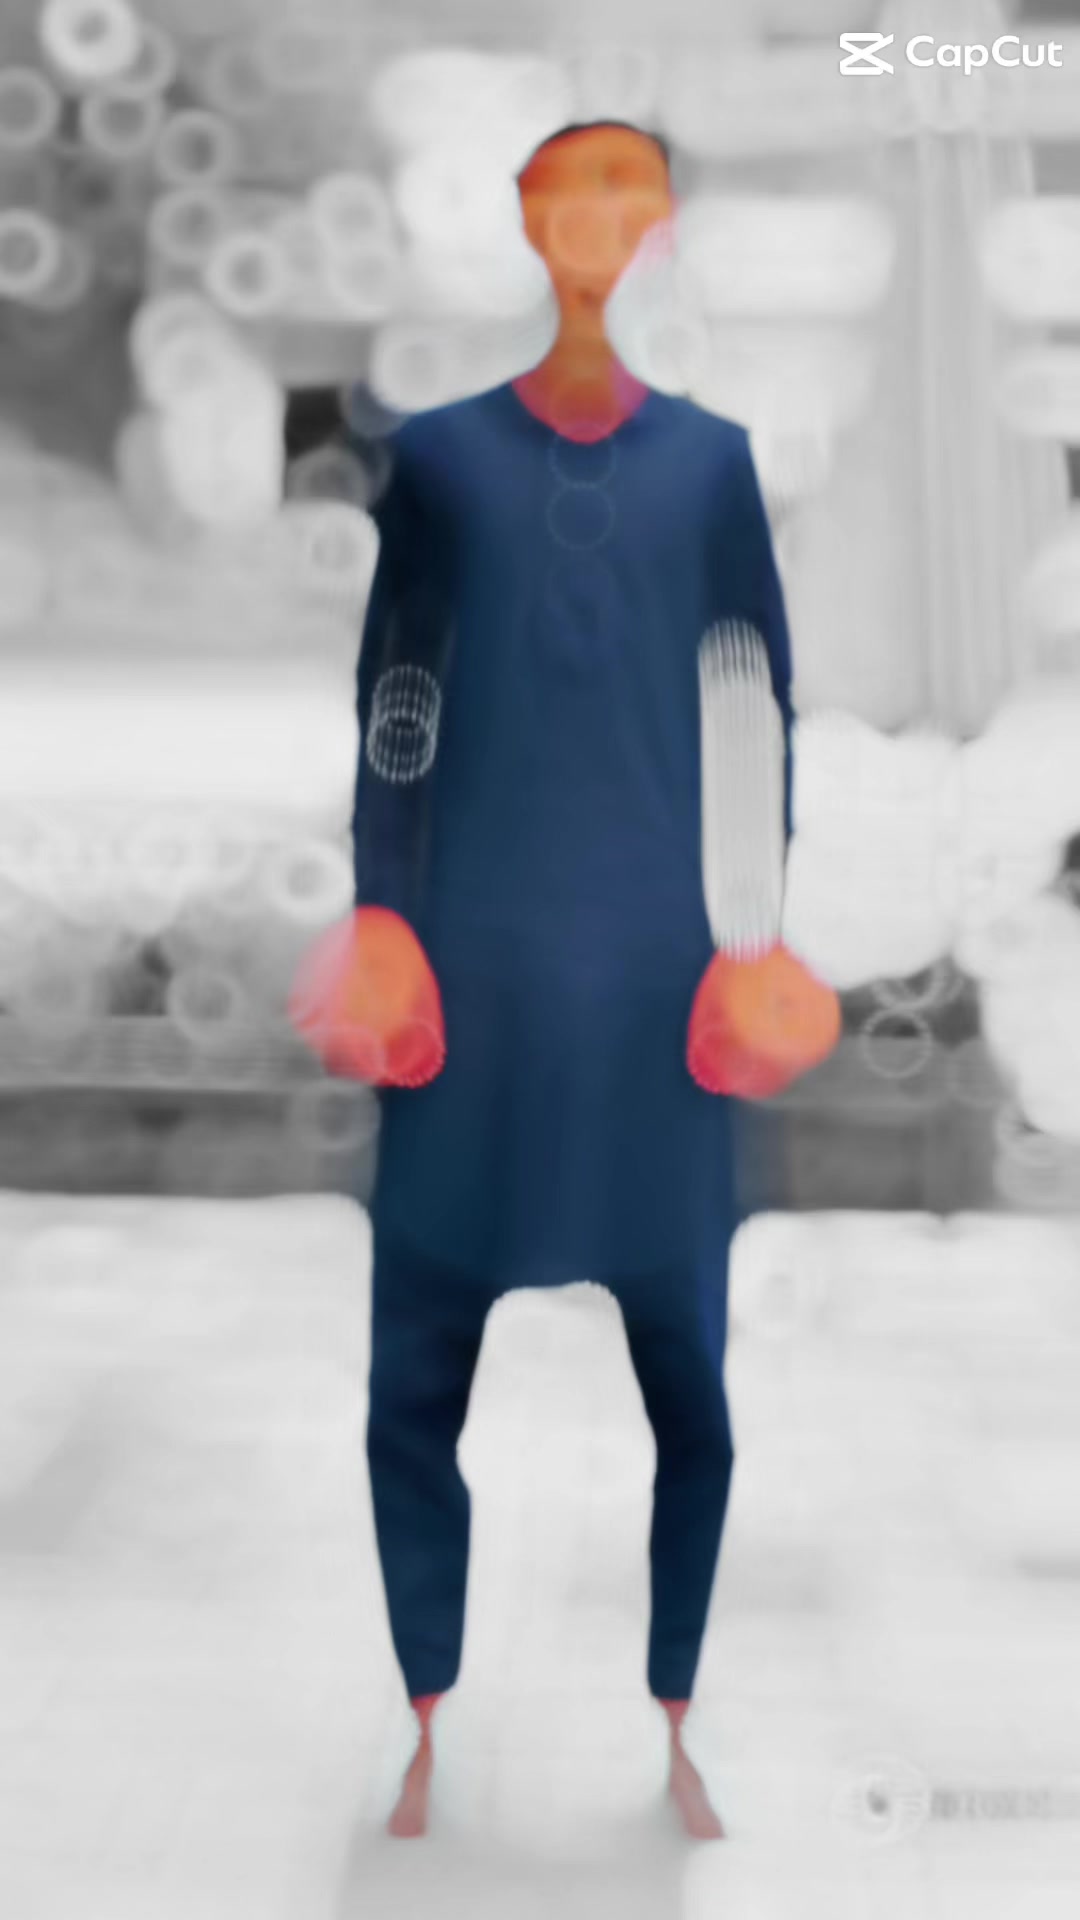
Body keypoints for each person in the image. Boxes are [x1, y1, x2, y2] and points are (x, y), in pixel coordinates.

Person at [289, 118, 839, 1840]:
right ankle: (426, 1700)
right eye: (569, 187)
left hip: (661, 988)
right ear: (526, 218)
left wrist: (750, 937)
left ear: (660, 222)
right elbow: (398, 698)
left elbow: (753, 702)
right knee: (414, 1369)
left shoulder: (712, 466)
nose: (598, 218)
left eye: (628, 189)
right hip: (470, 977)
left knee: (691, 1377)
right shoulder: (443, 459)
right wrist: (387, 913)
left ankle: (674, 1700)